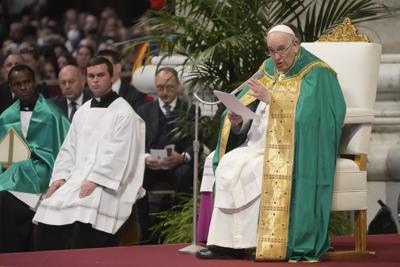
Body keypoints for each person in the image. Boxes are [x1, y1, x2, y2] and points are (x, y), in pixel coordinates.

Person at [196, 23, 346, 262]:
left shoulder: (316, 73)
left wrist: (273, 99)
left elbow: (313, 120)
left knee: (256, 170)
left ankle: (259, 242)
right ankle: (226, 244)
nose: (276, 57)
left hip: (291, 148)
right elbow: (252, 112)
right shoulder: (267, 69)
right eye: (271, 51)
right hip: (255, 143)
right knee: (229, 164)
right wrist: (237, 121)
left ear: (295, 45)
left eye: (281, 50)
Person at [33, 56, 145, 250]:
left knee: (84, 211)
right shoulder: (82, 112)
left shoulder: (124, 113)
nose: (95, 80)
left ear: (112, 77)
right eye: (91, 76)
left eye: (101, 75)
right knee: (50, 207)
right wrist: (59, 178)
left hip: (108, 181)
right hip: (77, 177)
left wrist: (96, 180)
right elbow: (69, 149)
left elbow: (119, 154)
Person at [0, 64, 70, 253]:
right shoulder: (6, 117)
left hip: (44, 172)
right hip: (12, 174)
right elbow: (4, 158)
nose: (23, 88)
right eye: (17, 84)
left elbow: (66, 151)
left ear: (35, 83)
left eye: (27, 82)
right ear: (11, 88)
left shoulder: (52, 115)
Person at [136, 67, 196, 243]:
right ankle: (146, 233)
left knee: (185, 173)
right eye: (160, 87)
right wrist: (146, 158)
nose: (164, 92)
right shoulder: (143, 111)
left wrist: (183, 156)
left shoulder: (190, 110)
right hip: (152, 163)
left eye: (169, 87)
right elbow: (136, 143)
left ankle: (175, 228)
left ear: (178, 86)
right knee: (137, 177)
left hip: (177, 163)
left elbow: (197, 142)